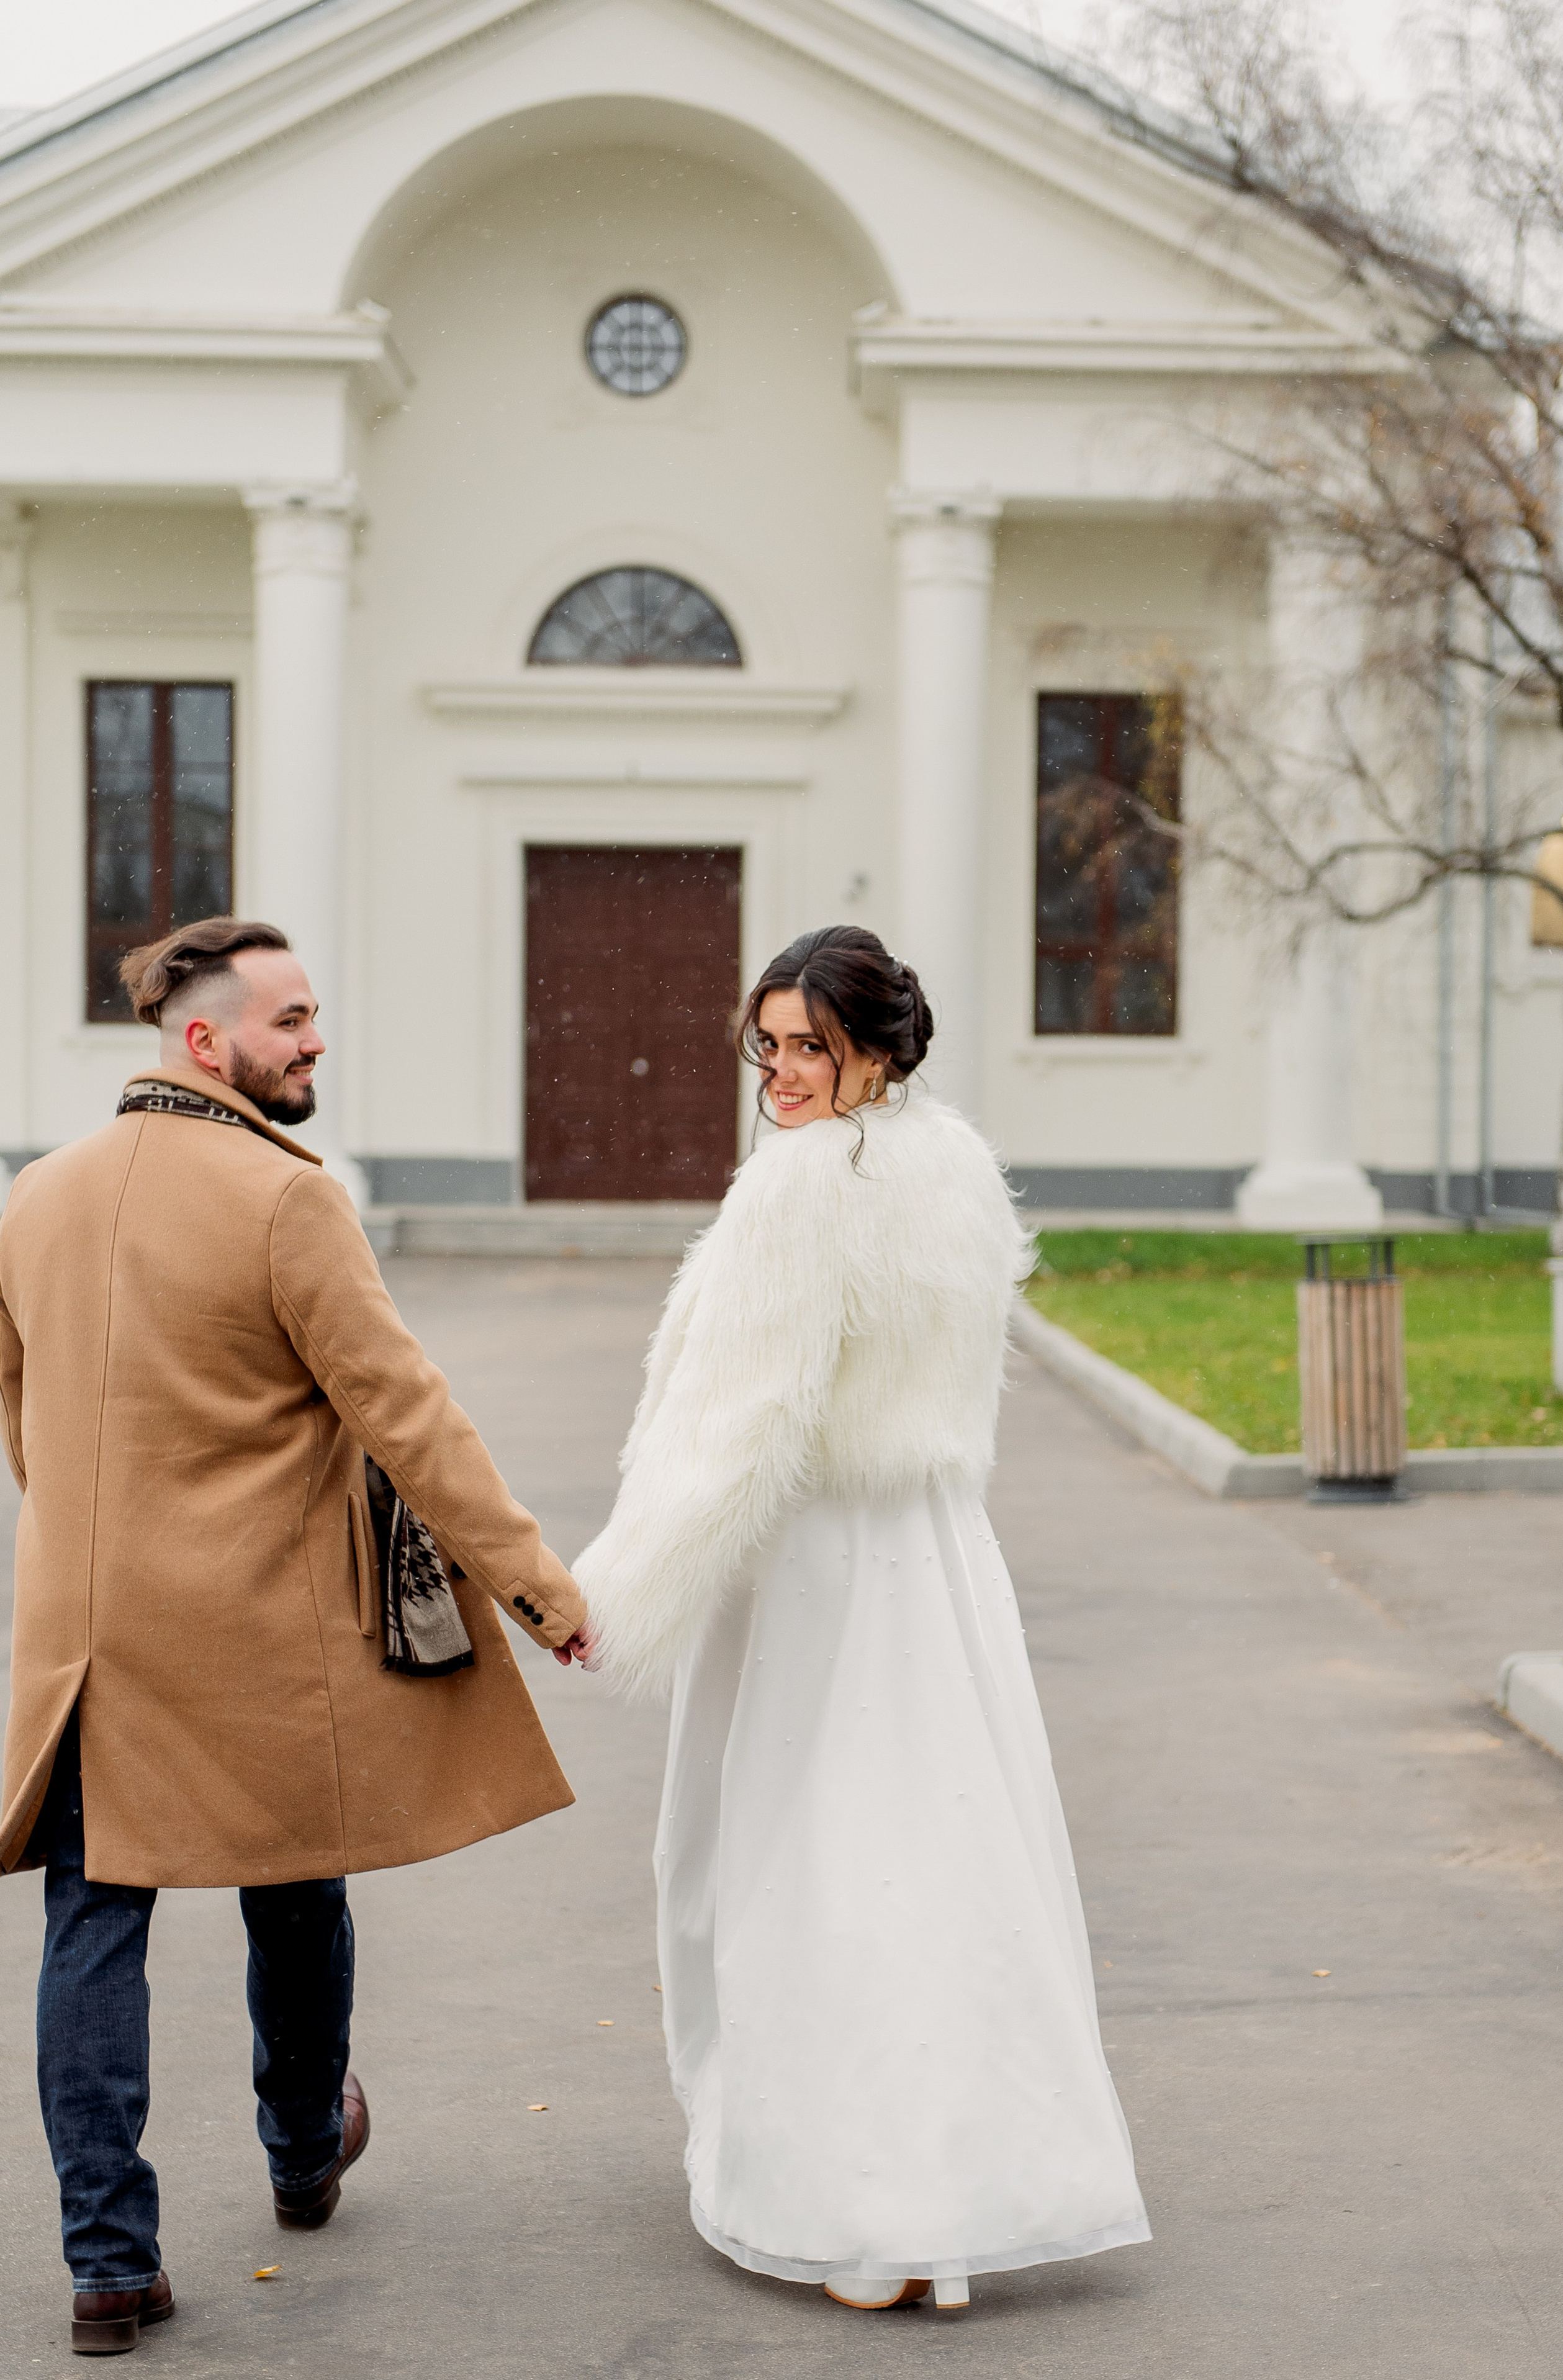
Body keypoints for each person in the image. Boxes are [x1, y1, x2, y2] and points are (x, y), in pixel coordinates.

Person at [0, 916, 596, 2357]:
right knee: (294, 1891)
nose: (315, 1041)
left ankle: (107, 2266)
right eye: (289, 1021)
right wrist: (540, 1590)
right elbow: (409, 1415)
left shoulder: (37, 1195)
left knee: (93, 1922)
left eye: (314, 1015)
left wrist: (93, 1532)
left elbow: (18, 1405)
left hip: (86, 1638)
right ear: (205, 1042)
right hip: (259, 1628)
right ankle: (303, 2152)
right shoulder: (287, 1199)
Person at [574, 925, 1149, 2315]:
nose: (779, 1073)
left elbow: (741, 1425)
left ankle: (867, 2208)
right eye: (767, 1045)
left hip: (819, 1566)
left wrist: (612, 1591)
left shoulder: (799, 1188)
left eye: (810, 1048)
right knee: (943, 1855)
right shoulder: (951, 1166)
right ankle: (956, 2187)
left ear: (878, 1051)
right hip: (935, 1558)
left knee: (809, 1863)